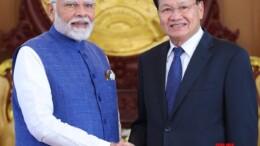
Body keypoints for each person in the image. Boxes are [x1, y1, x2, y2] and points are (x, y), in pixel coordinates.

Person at [129, 0, 258, 145]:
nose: (175, 16)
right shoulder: (148, 60)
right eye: (166, 10)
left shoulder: (231, 58)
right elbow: (144, 123)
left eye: (183, 7)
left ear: (200, 9)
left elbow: (243, 131)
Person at [12, 0, 134, 146]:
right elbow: (41, 125)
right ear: (52, 10)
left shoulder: (100, 55)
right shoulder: (31, 54)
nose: (82, 13)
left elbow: (112, 114)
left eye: (88, 5)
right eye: (71, 5)